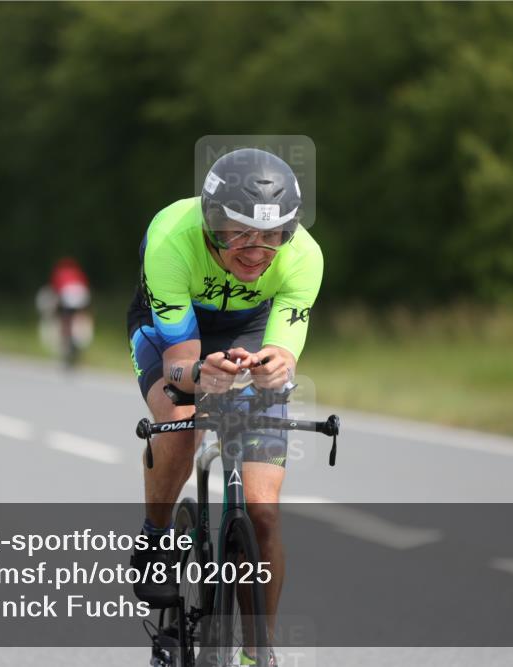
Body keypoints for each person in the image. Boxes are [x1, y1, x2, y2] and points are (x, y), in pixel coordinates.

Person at [127, 148, 323, 665]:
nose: (256, 250)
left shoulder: (304, 255)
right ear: (212, 223)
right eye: (239, 232)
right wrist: (198, 376)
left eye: (272, 235)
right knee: (180, 419)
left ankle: (258, 653)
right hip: (176, 331)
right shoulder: (171, 236)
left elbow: (283, 349)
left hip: (250, 329)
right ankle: (155, 536)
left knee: (263, 512)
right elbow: (179, 361)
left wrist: (278, 367)